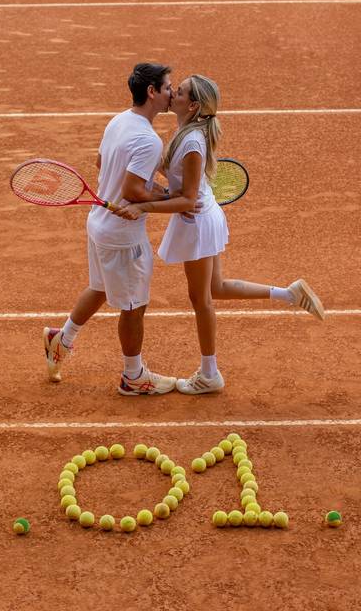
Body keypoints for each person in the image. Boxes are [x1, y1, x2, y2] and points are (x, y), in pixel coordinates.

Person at [114, 75, 325, 395]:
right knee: (217, 287)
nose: (173, 94)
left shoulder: (193, 142)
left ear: (194, 105)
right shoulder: (186, 133)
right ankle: (289, 294)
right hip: (203, 217)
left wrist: (143, 208)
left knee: (201, 299)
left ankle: (209, 373)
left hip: (197, 222)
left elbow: (186, 200)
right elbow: (171, 175)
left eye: (180, 92)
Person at [42, 62, 185, 395]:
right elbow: (134, 191)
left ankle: (61, 339)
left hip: (97, 224)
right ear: (151, 92)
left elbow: (100, 164)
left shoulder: (119, 120)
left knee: (101, 287)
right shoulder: (149, 140)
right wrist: (170, 195)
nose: (170, 93)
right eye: (167, 87)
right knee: (134, 306)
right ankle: (133, 376)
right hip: (122, 237)